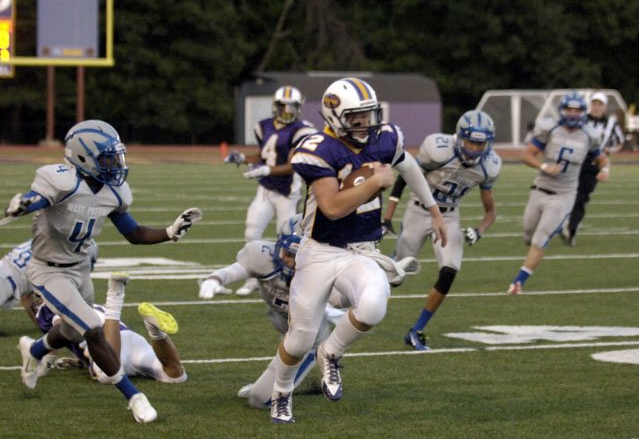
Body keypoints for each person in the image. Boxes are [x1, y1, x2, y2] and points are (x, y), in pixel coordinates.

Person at [267, 77, 447, 423]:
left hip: (361, 250)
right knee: (299, 338)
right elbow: (332, 207)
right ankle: (281, 393)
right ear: (335, 116)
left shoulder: (384, 139)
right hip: (319, 251)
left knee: (375, 306)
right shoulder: (319, 148)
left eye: (369, 114)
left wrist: (434, 210)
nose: (366, 123)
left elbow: (408, 166)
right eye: (356, 117)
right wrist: (377, 183)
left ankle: (331, 353)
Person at [5, 119, 202, 423]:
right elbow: (39, 200)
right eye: (108, 157)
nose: (115, 163)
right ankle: (134, 396)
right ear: (83, 157)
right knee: (92, 330)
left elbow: (133, 234)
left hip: (80, 267)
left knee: (70, 329)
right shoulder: (60, 180)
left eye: (116, 156)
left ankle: (34, 351)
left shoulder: (114, 192)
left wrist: (170, 231)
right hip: (47, 270)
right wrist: (23, 204)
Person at [198, 214, 418, 409]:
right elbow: (236, 270)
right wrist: (215, 279)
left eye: (297, 256)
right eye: (287, 253)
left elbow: (341, 299)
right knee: (282, 356)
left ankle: (290, 377)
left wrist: (375, 281)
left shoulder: (319, 270)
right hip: (286, 325)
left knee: (258, 400)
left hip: (309, 337)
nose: (290, 262)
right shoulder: (260, 254)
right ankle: (274, 382)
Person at [382, 110, 501, 350]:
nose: (475, 149)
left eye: (481, 143)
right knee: (393, 276)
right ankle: (346, 309)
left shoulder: (489, 166)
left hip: (448, 216)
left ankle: (416, 330)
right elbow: (406, 174)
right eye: (471, 142)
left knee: (449, 271)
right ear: (459, 137)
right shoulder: (438, 149)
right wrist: (388, 217)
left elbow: (491, 212)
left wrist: (479, 231)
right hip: (419, 210)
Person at [507, 91, 609, 295]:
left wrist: (605, 170)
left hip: (564, 194)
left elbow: (602, 158)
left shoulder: (590, 135)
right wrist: (544, 166)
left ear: (583, 112)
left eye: (577, 110)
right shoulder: (549, 129)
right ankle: (560, 226)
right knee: (528, 235)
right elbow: (525, 155)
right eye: (569, 109)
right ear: (562, 110)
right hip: (540, 189)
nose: (572, 114)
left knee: (540, 239)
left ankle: (518, 283)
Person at [223, 86, 317, 296]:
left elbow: (294, 163)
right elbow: (264, 154)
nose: (287, 110)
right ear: (275, 106)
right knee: (251, 232)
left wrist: (267, 169)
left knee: (289, 241)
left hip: (287, 193)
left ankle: (290, 284)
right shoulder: (263, 126)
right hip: (265, 190)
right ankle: (253, 277)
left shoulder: (301, 130)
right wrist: (243, 159)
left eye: (292, 106)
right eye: (283, 106)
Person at [32, 273, 186, 385]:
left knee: (108, 375)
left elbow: (61, 331)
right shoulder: (84, 303)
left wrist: (42, 364)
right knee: (175, 375)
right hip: (129, 338)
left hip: (105, 344)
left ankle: (115, 294)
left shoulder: (47, 310)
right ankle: (154, 330)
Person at [560, 92, 624, 246]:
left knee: (581, 197)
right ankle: (564, 222)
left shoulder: (611, 124)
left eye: (599, 104)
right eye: (594, 104)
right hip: (576, 161)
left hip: (594, 164)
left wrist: (610, 151)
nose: (596, 107)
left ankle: (571, 230)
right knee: (567, 193)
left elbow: (620, 142)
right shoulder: (581, 119)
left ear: (605, 107)